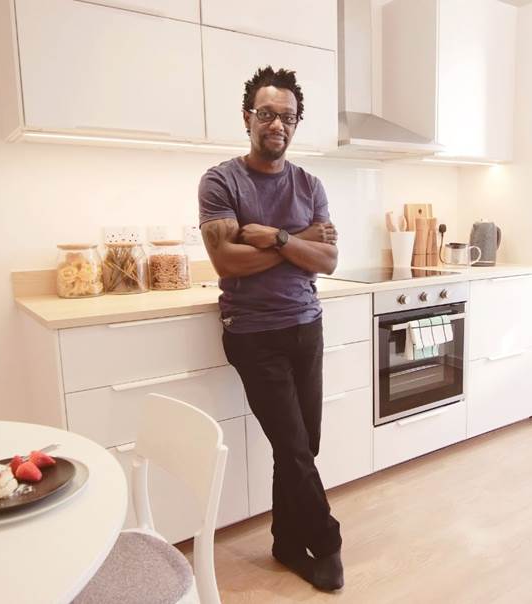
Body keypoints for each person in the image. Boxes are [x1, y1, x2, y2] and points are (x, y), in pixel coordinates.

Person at [197, 65, 344, 591]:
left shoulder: (310, 184)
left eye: (287, 116)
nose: (276, 124)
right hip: (253, 334)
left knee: (303, 445)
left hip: (307, 326)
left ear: (296, 123)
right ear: (247, 118)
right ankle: (326, 541)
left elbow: (326, 261)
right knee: (295, 445)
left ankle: (285, 541)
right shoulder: (221, 181)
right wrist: (299, 243)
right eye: (266, 114)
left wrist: (277, 238)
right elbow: (226, 263)